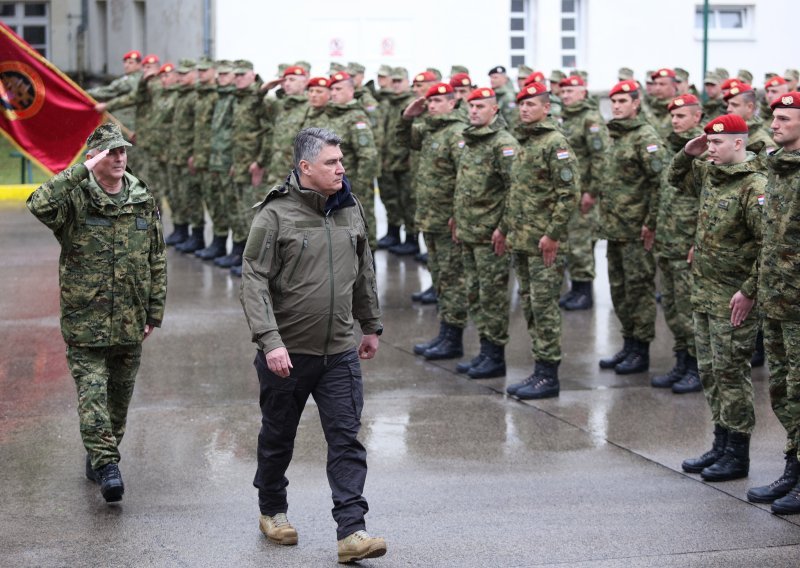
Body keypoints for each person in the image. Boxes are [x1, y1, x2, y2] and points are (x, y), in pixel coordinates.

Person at [240, 127, 386, 563]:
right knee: (278, 437)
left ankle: (352, 531)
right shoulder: (274, 215)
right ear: (305, 168)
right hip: (287, 353)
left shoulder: (350, 207)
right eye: (331, 163)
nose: (341, 169)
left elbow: (363, 269)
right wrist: (270, 341)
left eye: (341, 162)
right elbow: (254, 280)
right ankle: (272, 509)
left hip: (339, 349)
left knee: (346, 439)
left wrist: (371, 324)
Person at [26, 123, 167, 503]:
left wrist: (154, 311)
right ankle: (107, 465)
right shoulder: (75, 198)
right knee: (92, 396)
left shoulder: (141, 196)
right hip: (85, 319)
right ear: (93, 158)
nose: (119, 158)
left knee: (118, 401)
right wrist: (81, 170)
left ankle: (100, 454)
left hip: (129, 320)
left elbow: (156, 256)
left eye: (123, 152)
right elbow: (39, 203)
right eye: (110, 152)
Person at [670, 114, 765, 482]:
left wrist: (749, 291)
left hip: (734, 298)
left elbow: (766, 246)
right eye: (708, 143)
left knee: (731, 373)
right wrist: (687, 151)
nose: (710, 149)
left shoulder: (753, 186)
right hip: (705, 293)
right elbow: (675, 179)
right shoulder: (711, 173)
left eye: (717, 143)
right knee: (709, 372)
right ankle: (720, 443)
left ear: (739, 143)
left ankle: (738, 454)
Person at [497, 82, 580, 399]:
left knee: (544, 308)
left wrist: (553, 234)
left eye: (532, 104)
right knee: (531, 307)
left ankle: (549, 375)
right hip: (522, 240)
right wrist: (504, 228)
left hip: (544, 244)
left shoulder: (554, 143)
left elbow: (568, 195)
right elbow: (517, 193)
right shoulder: (525, 142)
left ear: (547, 107)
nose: (525, 108)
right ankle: (539, 370)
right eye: (521, 104)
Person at [748, 92, 800, 514]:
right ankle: (793, 467)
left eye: (784, 118)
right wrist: (753, 288)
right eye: (773, 117)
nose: (775, 124)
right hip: (777, 298)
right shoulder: (777, 170)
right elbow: (768, 240)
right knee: (783, 390)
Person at [599, 80, 666, 375]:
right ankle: (628, 343)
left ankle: (641, 349)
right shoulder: (615, 135)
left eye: (623, 101)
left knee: (639, 290)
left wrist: (650, 223)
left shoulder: (645, 137)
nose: (616, 106)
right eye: (614, 101)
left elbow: (659, 183)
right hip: (615, 229)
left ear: (636, 103)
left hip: (637, 230)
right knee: (619, 290)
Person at [398, 82, 468, 360]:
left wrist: (457, 215)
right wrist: (407, 116)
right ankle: (445, 332)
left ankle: (454, 337)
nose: (433, 105)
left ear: (452, 103)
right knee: (439, 277)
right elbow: (404, 140)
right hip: (429, 217)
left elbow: (466, 179)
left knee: (452, 279)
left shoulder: (456, 133)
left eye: (439, 101)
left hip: (447, 220)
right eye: (431, 101)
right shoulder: (429, 129)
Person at [453, 87, 518, 379]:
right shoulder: (471, 140)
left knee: (493, 297)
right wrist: (457, 218)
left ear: (495, 110)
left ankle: (496, 355)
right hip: (469, 231)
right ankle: (484, 351)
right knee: (475, 295)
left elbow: (515, 190)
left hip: (490, 235)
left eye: (481, 106)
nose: (474, 111)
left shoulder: (503, 143)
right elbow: (464, 185)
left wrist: (504, 228)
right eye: (472, 106)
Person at [651, 94, 704, 393]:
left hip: (687, 246)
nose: (675, 121)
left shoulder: (706, 153)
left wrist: (700, 243)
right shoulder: (672, 148)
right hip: (668, 243)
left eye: (682, 116)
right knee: (671, 309)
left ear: (697, 118)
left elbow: (710, 204)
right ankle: (682, 362)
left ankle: (696, 368)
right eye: (673, 116)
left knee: (688, 311)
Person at [558, 74, 611, 311]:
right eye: (564, 92)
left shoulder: (590, 119)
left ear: (583, 91)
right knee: (570, 241)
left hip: (583, 194)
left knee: (581, 243)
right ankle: (575, 289)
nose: (566, 95)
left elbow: (600, 158)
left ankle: (584, 292)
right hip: (567, 192)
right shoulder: (565, 119)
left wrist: (592, 191)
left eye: (571, 91)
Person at [326, 71, 379, 249]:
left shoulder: (357, 117)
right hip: (335, 187)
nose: (333, 93)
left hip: (353, 186)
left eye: (338, 88)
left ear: (351, 91)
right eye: (331, 89)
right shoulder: (332, 115)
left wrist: (360, 187)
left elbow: (368, 155)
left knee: (362, 232)